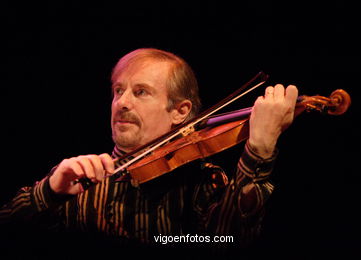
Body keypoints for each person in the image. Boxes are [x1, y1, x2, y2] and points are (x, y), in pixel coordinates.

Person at [0, 48, 298, 257]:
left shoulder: (202, 183)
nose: (122, 103)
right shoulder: (82, 181)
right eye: (118, 90)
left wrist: (259, 151)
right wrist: (50, 192)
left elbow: (229, 243)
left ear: (180, 112)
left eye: (140, 92)